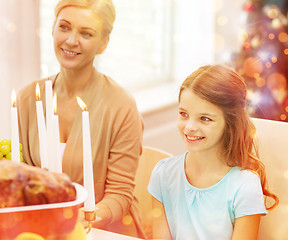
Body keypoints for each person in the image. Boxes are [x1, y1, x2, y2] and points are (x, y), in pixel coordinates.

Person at [16, 0, 145, 238]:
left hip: (104, 231)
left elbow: (120, 195)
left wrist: (81, 219)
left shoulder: (121, 106)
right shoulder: (27, 99)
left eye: (86, 33)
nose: (71, 40)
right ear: (53, 28)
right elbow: (19, 175)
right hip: (40, 230)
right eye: (64, 27)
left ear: (104, 43)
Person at [148, 64, 279, 240]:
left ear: (230, 124)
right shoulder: (163, 174)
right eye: (183, 114)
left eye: (205, 118)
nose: (189, 127)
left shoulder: (244, 187)